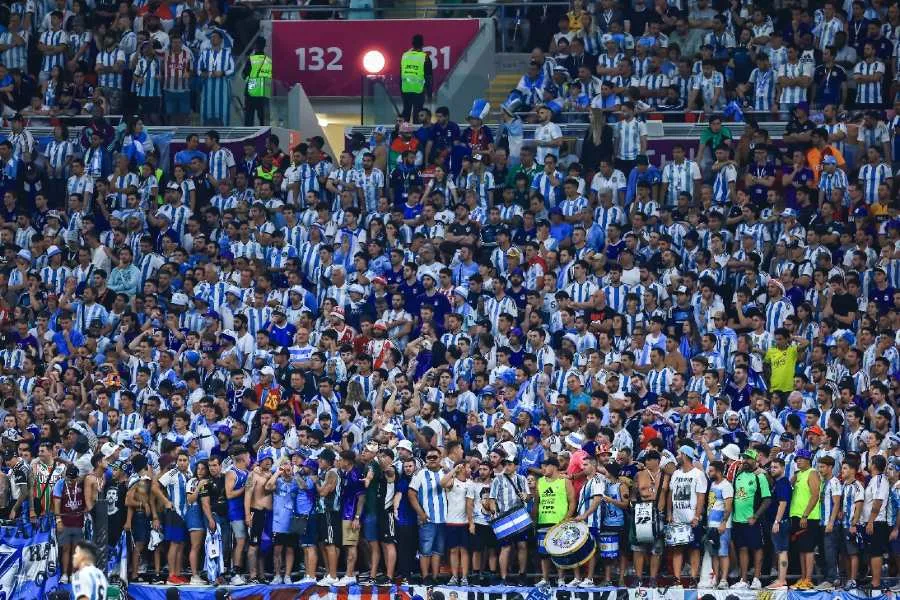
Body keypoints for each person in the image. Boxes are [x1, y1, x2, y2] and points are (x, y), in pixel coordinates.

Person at [666, 445, 707, 588]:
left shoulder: (698, 474)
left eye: (678, 454)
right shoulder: (676, 474)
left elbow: (701, 496)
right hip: (677, 518)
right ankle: (677, 580)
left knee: (694, 549)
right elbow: (670, 494)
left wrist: (697, 516)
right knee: (677, 548)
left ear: (684, 455)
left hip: (692, 518)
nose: (677, 457)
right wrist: (669, 513)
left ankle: (693, 579)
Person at [730, 448, 770, 589]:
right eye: (744, 458)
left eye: (748, 458)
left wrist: (756, 516)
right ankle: (744, 580)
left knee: (757, 548)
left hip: (753, 520)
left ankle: (757, 579)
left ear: (755, 460)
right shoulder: (739, 475)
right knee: (742, 549)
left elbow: (767, 499)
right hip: (738, 520)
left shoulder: (760, 477)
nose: (745, 461)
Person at [535, 456, 575, 586]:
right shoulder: (540, 481)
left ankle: (561, 579)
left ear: (554, 466)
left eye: (545, 467)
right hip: (543, 521)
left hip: (559, 522)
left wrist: (566, 519)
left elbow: (572, 501)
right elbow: (536, 503)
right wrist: (534, 521)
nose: (543, 470)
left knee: (559, 552)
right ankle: (545, 579)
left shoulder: (565, 481)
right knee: (543, 553)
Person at [788, 448, 821, 590]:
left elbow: (815, 495)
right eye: (797, 459)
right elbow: (789, 484)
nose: (798, 461)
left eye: (801, 458)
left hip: (808, 517)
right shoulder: (799, 474)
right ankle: (803, 578)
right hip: (797, 516)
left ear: (808, 460)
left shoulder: (812, 473)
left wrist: (805, 515)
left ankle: (808, 579)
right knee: (801, 549)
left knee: (808, 549)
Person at [399, 34, 433, 122]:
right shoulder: (425, 57)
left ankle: (404, 130)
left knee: (406, 113)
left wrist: (401, 90)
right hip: (418, 90)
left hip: (406, 89)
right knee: (417, 115)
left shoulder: (405, 56)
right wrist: (429, 94)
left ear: (412, 44)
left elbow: (401, 74)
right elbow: (428, 77)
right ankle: (415, 131)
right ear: (422, 45)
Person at [243, 38, 271, 127]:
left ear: (255, 46)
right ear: (264, 46)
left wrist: (249, 80)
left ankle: (248, 135)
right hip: (263, 92)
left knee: (249, 118)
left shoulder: (251, 59)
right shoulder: (268, 60)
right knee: (263, 120)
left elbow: (244, 74)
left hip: (251, 91)